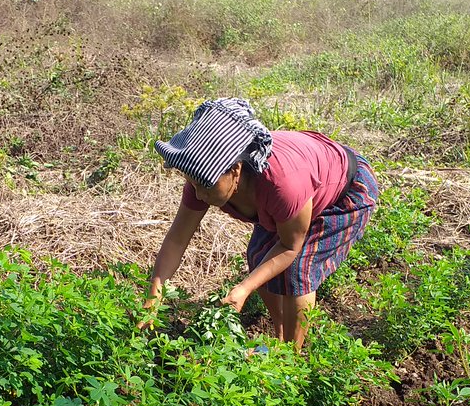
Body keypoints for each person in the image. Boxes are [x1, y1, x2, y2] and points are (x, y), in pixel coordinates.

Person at [142, 98, 380, 349]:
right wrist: (155, 291)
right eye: (194, 184)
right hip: (303, 186)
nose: (200, 194)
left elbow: (290, 246)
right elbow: (177, 239)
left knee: (298, 270)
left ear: (235, 170)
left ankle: (291, 359)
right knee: (259, 256)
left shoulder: (281, 185)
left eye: (206, 186)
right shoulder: (202, 181)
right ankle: (279, 339)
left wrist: (243, 289)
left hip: (345, 189)